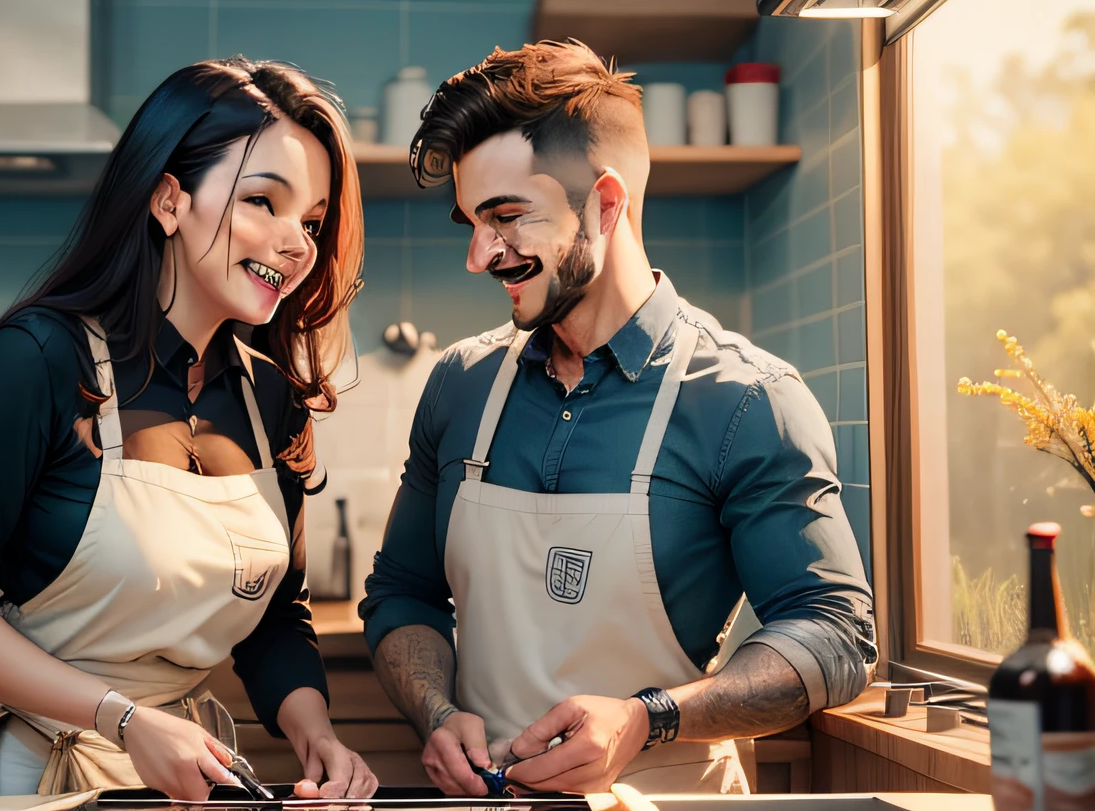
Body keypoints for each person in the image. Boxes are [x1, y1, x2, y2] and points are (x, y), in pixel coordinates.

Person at [360, 41, 876, 796]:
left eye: (507, 217)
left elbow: (834, 635)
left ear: (605, 203)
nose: (479, 255)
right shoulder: (460, 385)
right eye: (472, 221)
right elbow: (402, 591)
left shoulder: (745, 399)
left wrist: (648, 717)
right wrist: (437, 714)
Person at [0, 57, 379, 800]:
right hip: (29, 774)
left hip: (185, 778)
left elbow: (277, 616)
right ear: (169, 200)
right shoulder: (42, 361)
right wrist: (123, 720)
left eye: (311, 221)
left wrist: (319, 737)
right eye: (262, 203)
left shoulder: (270, 397)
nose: (297, 243)